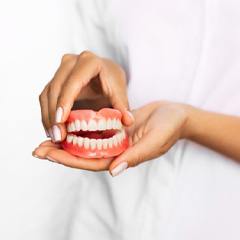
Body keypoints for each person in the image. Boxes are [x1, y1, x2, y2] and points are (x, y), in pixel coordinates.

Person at [33, 0, 240, 239]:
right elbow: (96, 101)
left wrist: (191, 122)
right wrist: (95, 86)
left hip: (216, 222)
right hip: (105, 222)